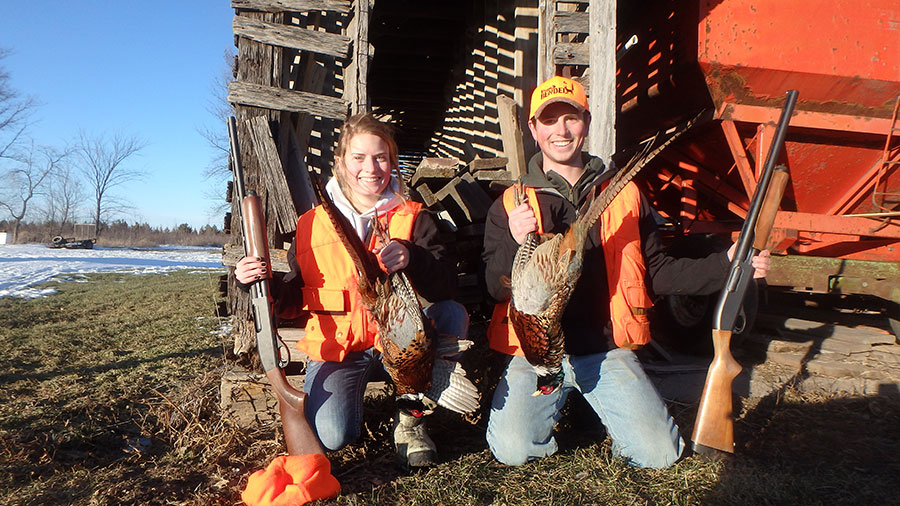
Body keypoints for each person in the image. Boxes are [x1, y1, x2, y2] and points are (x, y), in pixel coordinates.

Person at [481, 76, 771, 469]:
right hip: (536, 355)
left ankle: (595, 403)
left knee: (659, 454)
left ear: (586, 121)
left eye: (571, 118)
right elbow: (495, 288)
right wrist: (517, 240)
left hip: (604, 349)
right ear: (534, 129)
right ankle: (574, 405)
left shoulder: (625, 193)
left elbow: (659, 274)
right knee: (512, 449)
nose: (561, 131)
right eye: (549, 121)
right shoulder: (512, 202)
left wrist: (729, 264)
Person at [234, 113, 468, 469]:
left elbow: (446, 287)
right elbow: (296, 299)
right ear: (341, 164)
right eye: (359, 158)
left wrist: (412, 257)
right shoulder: (311, 224)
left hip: (402, 347)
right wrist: (258, 284)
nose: (370, 168)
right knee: (331, 435)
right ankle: (356, 410)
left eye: (380, 157)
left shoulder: (413, 216)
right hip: (341, 350)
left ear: (392, 162)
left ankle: (410, 422)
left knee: (451, 313)